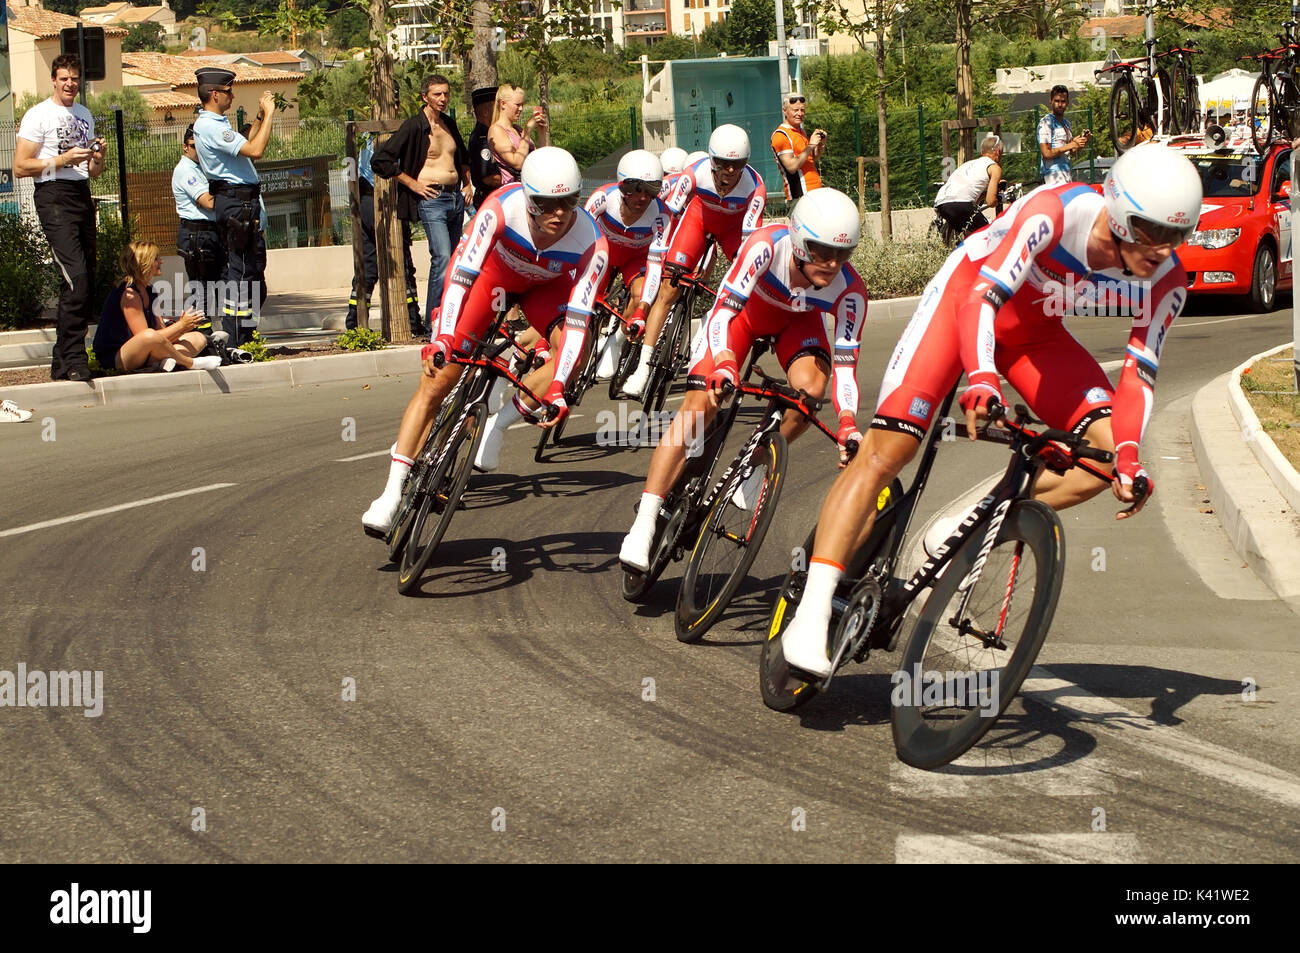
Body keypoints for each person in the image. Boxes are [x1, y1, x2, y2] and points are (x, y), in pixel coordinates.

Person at [779, 144, 1202, 679]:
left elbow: (1140, 371)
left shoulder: (1166, 280)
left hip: (1033, 336)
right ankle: (812, 611)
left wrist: (1130, 455)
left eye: (1176, 237)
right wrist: (981, 378)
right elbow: (983, 294)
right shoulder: (1055, 211)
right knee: (891, 450)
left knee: (1102, 453)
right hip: (966, 301)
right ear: (1118, 210)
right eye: (1149, 232)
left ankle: (965, 523)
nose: (1162, 250)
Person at [361, 147, 609, 537]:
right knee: (439, 378)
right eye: (545, 204)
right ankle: (391, 493)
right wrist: (442, 338)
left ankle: (502, 421)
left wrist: (559, 386)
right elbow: (459, 278)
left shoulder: (592, 242)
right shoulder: (499, 209)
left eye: (568, 202)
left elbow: (578, 319)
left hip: (545, 286)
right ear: (527, 196)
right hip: (491, 276)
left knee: (575, 350)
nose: (558, 214)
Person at [619, 188, 868, 571]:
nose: (833, 264)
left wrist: (848, 422)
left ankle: (755, 465)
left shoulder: (851, 291)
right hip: (741, 318)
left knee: (810, 392)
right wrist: (722, 362)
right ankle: (645, 522)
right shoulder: (766, 245)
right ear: (800, 242)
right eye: (821, 251)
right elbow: (721, 313)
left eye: (843, 254)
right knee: (698, 408)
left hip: (797, 327)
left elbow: (847, 366)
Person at [471, 149, 674, 471]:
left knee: (639, 294)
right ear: (621, 185)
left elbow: (654, 265)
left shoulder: (662, 215)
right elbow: (576, 235)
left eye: (650, 190)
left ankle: (615, 342)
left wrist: (642, 310)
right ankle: (517, 357)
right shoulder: (601, 200)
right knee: (570, 311)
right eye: (634, 187)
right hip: (594, 259)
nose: (641, 197)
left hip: (631, 260)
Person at [621, 124, 766, 400]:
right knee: (668, 288)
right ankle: (642, 369)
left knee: (740, 285)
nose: (730, 172)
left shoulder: (755, 187)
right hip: (698, 221)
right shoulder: (694, 173)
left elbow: (750, 244)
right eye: (723, 164)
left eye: (737, 165)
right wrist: (662, 254)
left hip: (734, 230)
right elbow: (669, 216)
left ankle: (709, 331)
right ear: (712, 160)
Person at [13, 54, 106, 383]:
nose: (70, 84)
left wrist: (98, 157)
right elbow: (21, 166)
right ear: (54, 80)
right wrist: (63, 158)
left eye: (75, 78)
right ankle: (75, 358)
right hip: (53, 196)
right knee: (75, 278)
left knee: (86, 282)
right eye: (64, 78)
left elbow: (93, 172)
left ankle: (62, 361)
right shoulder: (38, 114)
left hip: (81, 194)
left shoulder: (83, 114)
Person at [371, 73, 473, 338]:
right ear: (424, 97)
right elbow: (381, 160)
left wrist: (467, 184)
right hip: (433, 200)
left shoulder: (449, 123)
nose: (442, 98)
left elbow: (462, 156)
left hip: (455, 199)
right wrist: (412, 183)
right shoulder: (413, 126)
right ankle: (433, 324)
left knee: (453, 262)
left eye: (446, 94)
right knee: (441, 257)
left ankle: (451, 319)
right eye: (437, 94)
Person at [192, 66, 272, 346]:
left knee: (251, 273)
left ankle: (244, 334)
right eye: (228, 91)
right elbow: (256, 150)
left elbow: (245, 143)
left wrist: (260, 117)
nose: (232, 95)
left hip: (241, 201)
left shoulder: (218, 124)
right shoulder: (210, 126)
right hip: (236, 201)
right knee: (239, 274)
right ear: (215, 94)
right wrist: (271, 115)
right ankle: (233, 338)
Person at [92, 241, 221, 374]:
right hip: (117, 357)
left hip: (147, 352)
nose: (161, 262)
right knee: (149, 335)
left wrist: (184, 327)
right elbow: (146, 338)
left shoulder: (150, 290)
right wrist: (181, 326)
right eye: (156, 259)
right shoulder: (129, 294)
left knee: (198, 337)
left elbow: (162, 333)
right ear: (144, 263)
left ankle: (163, 362)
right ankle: (190, 363)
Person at [344, 130, 423, 332]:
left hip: (365, 200)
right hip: (380, 199)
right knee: (401, 262)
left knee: (369, 267)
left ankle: (355, 323)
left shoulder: (366, 135)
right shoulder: (387, 136)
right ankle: (412, 321)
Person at [172, 124, 225, 327]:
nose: (198, 150)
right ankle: (202, 335)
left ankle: (213, 333)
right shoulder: (186, 170)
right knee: (201, 288)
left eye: (202, 146)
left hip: (210, 232)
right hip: (197, 233)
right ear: (185, 147)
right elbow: (209, 203)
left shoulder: (202, 169)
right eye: (194, 146)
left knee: (219, 285)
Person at [933, 133, 1005, 239]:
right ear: (998, 151)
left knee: (969, 240)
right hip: (961, 204)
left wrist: (985, 193)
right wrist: (998, 198)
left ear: (982, 151)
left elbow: (972, 197)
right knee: (989, 238)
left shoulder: (968, 164)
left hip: (941, 203)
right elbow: (991, 202)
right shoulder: (994, 167)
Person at [489, 84, 549, 187]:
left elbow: (543, 156)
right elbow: (517, 162)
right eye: (517, 104)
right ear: (503, 104)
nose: (521, 109)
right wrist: (527, 130)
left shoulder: (517, 129)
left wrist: (542, 131)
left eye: (522, 104)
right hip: (515, 191)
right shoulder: (496, 130)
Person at [771, 90, 826, 201]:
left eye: (802, 110)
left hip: (815, 192)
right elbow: (791, 167)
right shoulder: (781, 135)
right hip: (800, 196)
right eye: (795, 110)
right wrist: (810, 145)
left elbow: (812, 159)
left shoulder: (801, 131)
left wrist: (820, 145)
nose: (799, 114)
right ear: (785, 111)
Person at [1037, 85, 1089, 186]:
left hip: (1066, 172)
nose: (1060, 104)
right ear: (1051, 101)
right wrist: (1071, 145)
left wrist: (1082, 141)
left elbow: (1072, 152)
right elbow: (1046, 153)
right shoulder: (1046, 122)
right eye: (1057, 101)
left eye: (1063, 101)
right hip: (1052, 175)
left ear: (1068, 103)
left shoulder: (1066, 123)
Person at [467, 86, 503, 210]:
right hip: (491, 200)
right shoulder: (483, 137)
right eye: (498, 107)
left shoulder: (494, 132)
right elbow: (489, 177)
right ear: (485, 112)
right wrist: (516, 182)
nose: (502, 110)